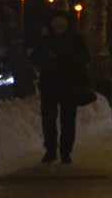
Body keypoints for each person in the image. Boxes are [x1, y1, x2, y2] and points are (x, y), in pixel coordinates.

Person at [31, 11, 92, 165]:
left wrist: (64, 60)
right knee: (50, 119)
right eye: (56, 26)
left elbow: (84, 59)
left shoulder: (73, 41)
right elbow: (35, 58)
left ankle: (65, 151)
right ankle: (51, 150)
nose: (59, 28)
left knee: (67, 120)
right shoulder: (46, 41)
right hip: (51, 86)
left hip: (68, 86)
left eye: (61, 26)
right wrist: (47, 59)